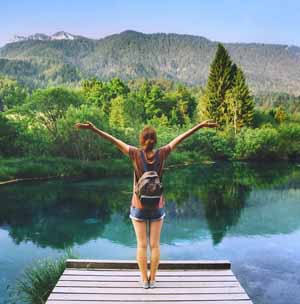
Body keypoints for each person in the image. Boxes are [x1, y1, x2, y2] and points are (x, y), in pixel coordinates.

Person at [74, 119, 218, 288]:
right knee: (155, 245)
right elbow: (181, 137)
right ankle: (153, 279)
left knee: (142, 245)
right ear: (155, 140)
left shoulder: (134, 153)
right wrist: (200, 125)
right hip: (157, 206)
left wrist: (94, 129)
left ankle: (144, 281)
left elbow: (112, 139)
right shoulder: (163, 153)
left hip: (138, 207)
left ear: (141, 140)